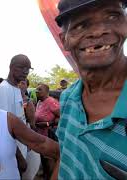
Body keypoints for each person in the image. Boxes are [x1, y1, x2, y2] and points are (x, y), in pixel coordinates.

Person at [55, 0, 127, 179]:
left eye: (112, 16)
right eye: (80, 25)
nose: (97, 31)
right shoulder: (68, 98)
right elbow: (65, 158)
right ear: (64, 40)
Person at [0, 54, 32, 175]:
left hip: (21, 146)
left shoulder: (16, 87)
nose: (26, 72)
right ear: (11, 67)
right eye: (22, 67)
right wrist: (19, 157)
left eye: (28, 68)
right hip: (13, 153)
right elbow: (4, 128)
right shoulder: (4, 89)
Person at [35, 83, 60, 180]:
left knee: (50, 161)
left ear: (47, 91)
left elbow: (61, 117)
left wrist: (47, 124)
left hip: (50, 135)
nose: (37, 91)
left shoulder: (51, 101)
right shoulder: (39, 102)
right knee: (44, 160)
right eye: (37, 90)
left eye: (40, 89)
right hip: (41, 136)